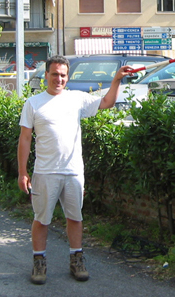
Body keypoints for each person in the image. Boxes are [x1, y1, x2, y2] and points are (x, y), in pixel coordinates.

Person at [17, 55, 133, 285]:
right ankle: (39, 262)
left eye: (63, 75)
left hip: (73, 172)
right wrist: (22, 172)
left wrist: (117, 80)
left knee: (75, 217)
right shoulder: (33, 103)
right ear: (46, 75)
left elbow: (107, 102)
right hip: (45, 172)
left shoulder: (77, 99)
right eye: (54, 74)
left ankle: (76, 260)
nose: (58, 79)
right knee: (42, 220)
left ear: (67, 77)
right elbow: (25, 139)